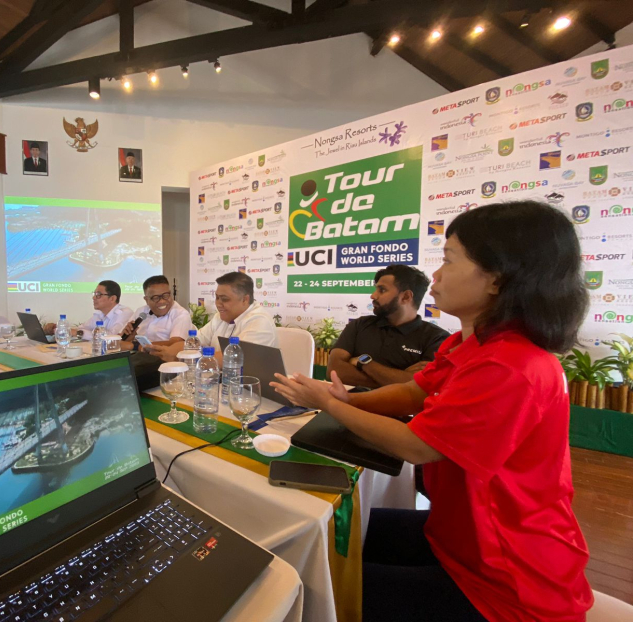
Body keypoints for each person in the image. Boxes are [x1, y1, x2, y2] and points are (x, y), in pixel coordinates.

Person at [270, 201, 593, 621]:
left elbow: (417, 445)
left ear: (497, 278)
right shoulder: (471, 343)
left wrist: (329, 403)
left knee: (320, 587)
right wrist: (348, 400)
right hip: (459, 536)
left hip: (505, 577)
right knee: (330, 536)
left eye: (448, 260)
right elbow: (413, 393)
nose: (435, 276)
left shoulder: (513, 365)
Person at [328, 265, 449, 389]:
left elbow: (425, 386)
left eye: (382, 290)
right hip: (346, 404)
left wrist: (363, 363)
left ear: (406, 296)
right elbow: (334, 369)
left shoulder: (437, 338)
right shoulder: (359, 325)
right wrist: (400, 380)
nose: (373, 296)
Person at [150, 271, 278, 364]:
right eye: (217, 297)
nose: (218, 304)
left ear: (245, 299)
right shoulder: (220, 317)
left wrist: (180, 356)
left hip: (252, 391)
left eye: (224, 299)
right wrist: (168, 351)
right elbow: (193, 343)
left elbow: (233, 359)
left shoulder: (260, 321)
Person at [121, 275, 192, 350]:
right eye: (155, 298)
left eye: (165, 295)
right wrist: (129, 337)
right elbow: (124, 341)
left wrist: (139, 346)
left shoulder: (180, 314)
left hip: (162, 358)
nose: (162, 301)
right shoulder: (141, 311)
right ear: (146, 300)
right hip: (139, 355)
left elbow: (176, 343)